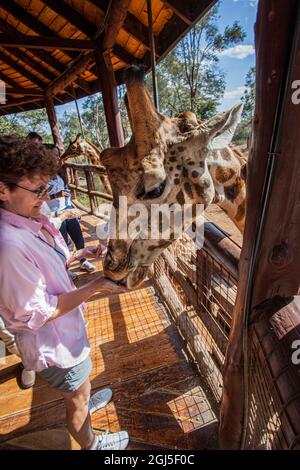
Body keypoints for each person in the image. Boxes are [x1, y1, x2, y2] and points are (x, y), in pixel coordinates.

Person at [0, 135, 129, 450]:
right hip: (55, 344)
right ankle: (91, 443)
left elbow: (43, 270)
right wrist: (96, 284)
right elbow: (36, 313)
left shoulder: (29, 221)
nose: (46, 197)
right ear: (2, 189)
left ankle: (83, 395)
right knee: (76, 398)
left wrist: (79, 256)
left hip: (67, 331)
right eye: (39, 189)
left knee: (80, 388)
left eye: (48, 187)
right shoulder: (9, 245)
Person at [47, 173, 96, 273]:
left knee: (78, 236)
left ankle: (83, 261)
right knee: (62, 241)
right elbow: (43, 199)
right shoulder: (42, 179)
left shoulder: (60, 176)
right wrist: (56, 196)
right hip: (55, 213)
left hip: (67, 208)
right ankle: (65, 269)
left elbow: (67, 195)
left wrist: (73, 207)